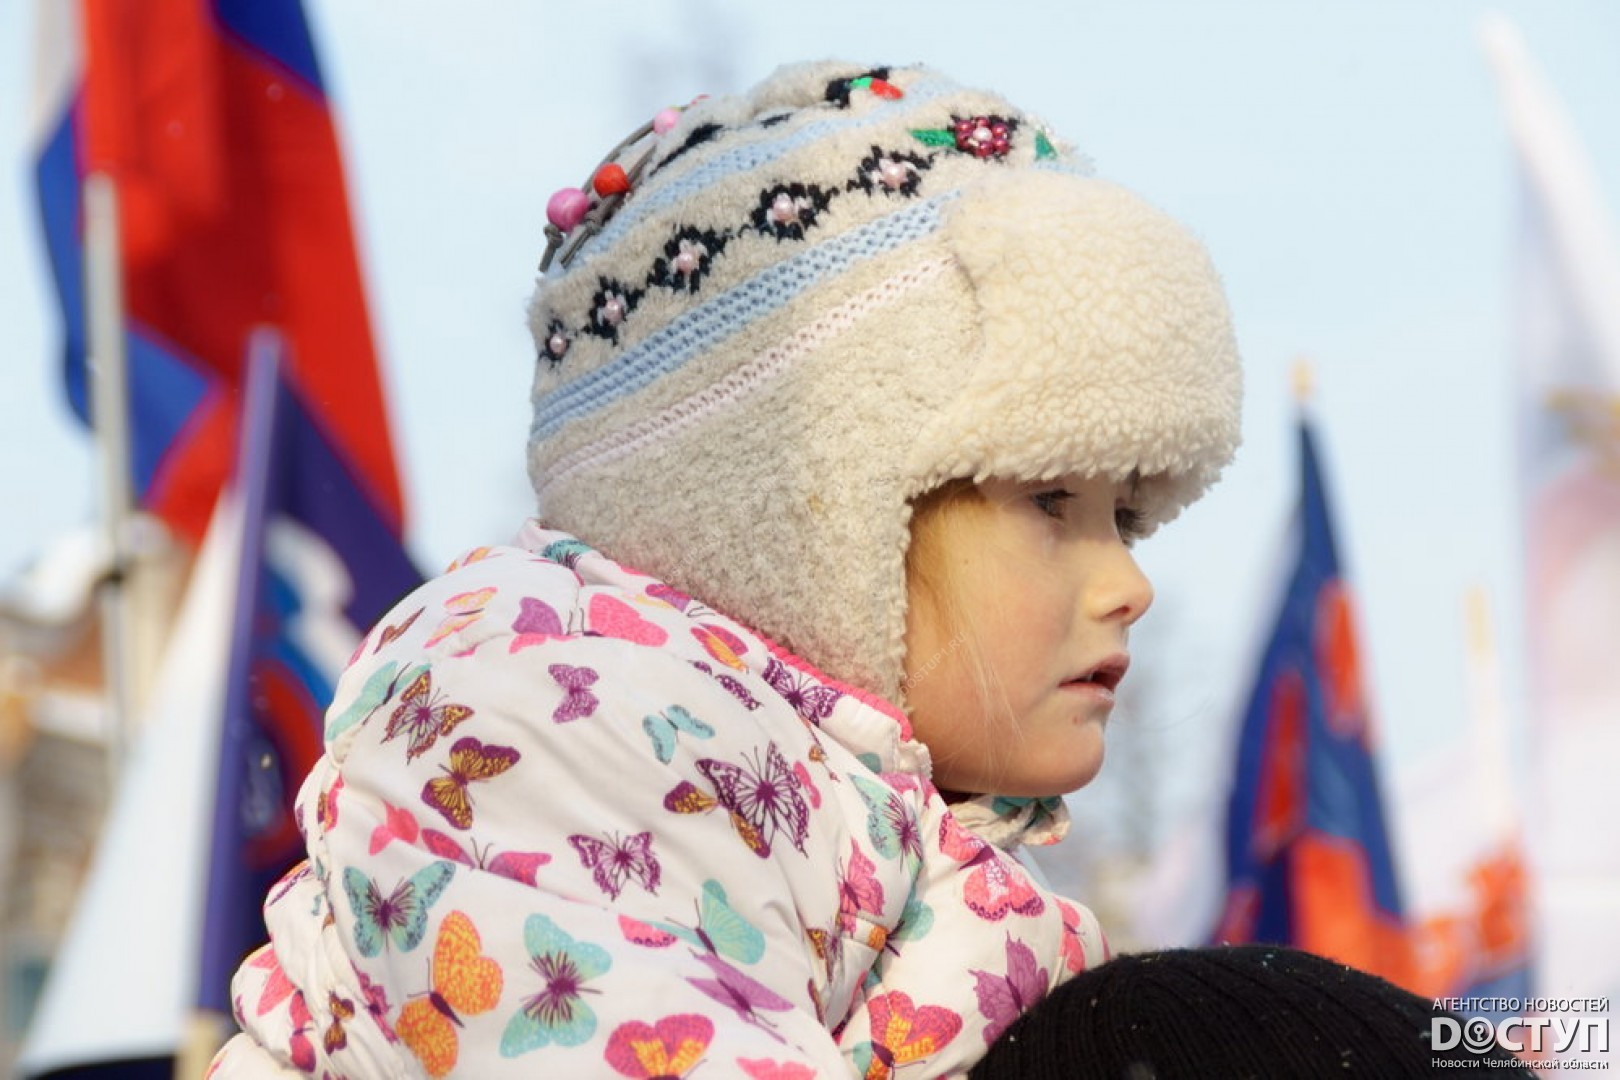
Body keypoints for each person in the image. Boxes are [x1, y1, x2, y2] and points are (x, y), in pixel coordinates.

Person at [211, 59, 1241, 1077]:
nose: (1129, 584)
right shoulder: (558, 729)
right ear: (806, 513)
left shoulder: (892, 839)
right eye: (1051, 499)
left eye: (1127, 516)